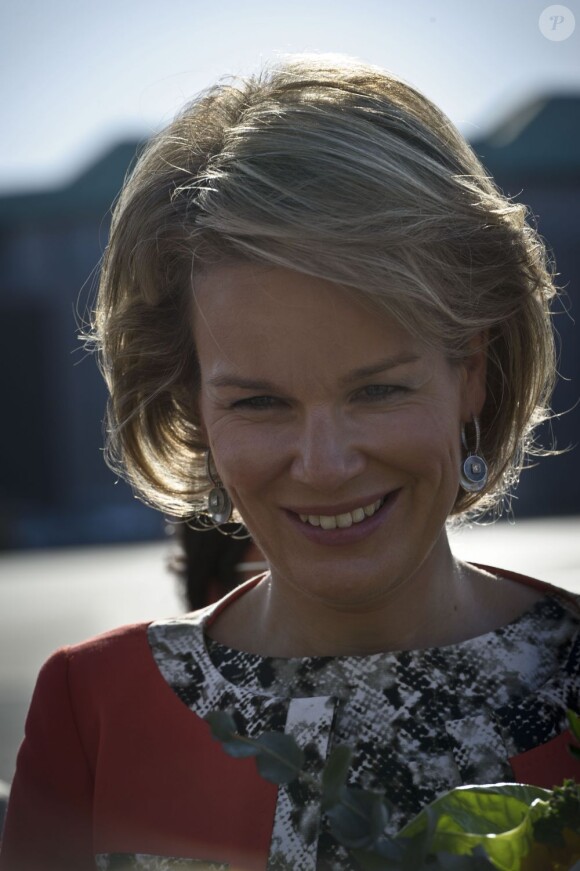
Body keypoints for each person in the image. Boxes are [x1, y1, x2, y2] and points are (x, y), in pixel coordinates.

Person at [1, 54, 578, 871]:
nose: (326, 463)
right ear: (192, 405)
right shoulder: (91, 709)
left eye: (377, 389)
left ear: (471, 371)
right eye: (261, 402)